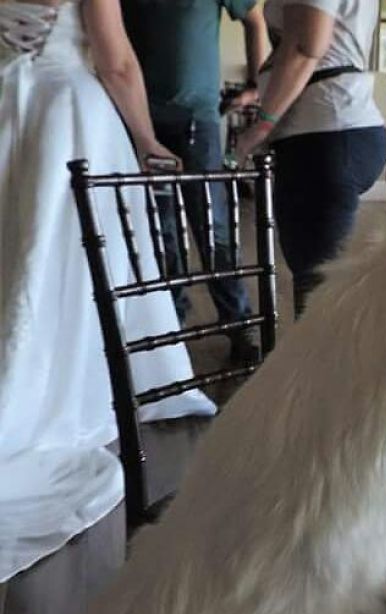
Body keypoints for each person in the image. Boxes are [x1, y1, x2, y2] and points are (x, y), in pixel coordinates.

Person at [0, 0, 215, 581]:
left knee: (15, 262)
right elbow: (115, 60)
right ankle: (70, 382)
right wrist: (147, 139)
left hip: (8, 105)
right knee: (73, 260)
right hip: (66, 109)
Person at [121, 0, 270, 363]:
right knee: (161, 231)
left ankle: (239, 325)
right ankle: (170, 328)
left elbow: (255, 20)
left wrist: (256, 84)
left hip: (198, 120)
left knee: (214, 225)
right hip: (140, 121)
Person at [233, 0, 386, 318]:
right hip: (336, 130)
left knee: (320, 293)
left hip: (323, 136)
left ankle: (329, 366)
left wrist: (261, 127)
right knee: (321, 282)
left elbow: (306, 46)